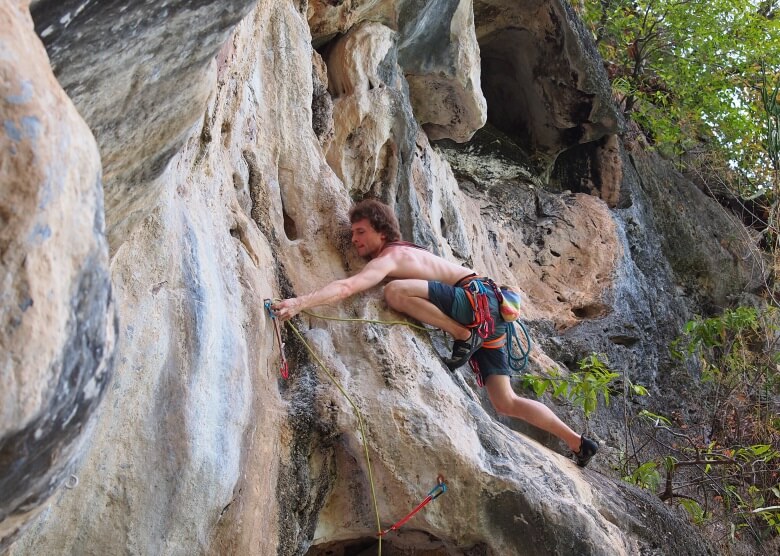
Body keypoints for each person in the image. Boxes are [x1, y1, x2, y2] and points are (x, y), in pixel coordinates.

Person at [271, 199, 598, 466]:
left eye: (360, 232)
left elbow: (348, 287)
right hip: (491, 314)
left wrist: (299, 303)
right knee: (505, 401)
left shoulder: (392, 256)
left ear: (382, 233)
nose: (355, 239)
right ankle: (578, 443)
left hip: (475, 304)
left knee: (395, 292)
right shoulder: (412, 253)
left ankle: (461, 335)